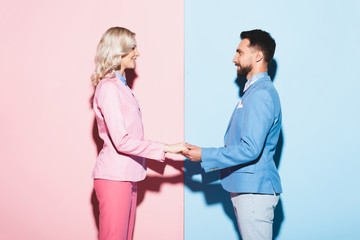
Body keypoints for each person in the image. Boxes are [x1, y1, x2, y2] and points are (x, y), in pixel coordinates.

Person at [182, 29, 282, 240]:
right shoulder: (254, 92)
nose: (234, 59)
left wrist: (205, 154)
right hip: (249, 191)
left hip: (254, 193)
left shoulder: (261, 94)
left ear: (257, 56)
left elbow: (250, 150)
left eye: (239, 52)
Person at [91, 27, 186, 240]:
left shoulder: (120, 86)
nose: (137, 53)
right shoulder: (108, 88)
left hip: (126, 176)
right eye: (133, 48)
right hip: (114, 177)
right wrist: (168, 148)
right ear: (118, 50)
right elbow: (122, 142)